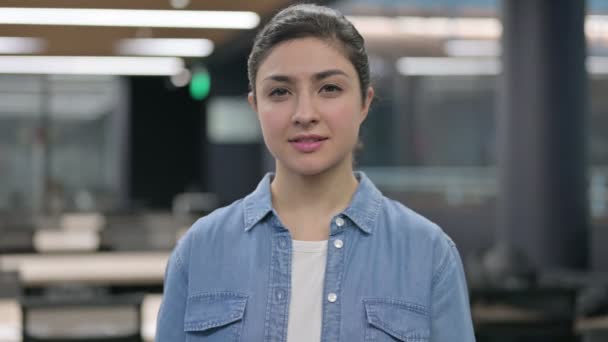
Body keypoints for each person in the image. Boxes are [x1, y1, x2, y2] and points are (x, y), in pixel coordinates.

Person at [156, 4, 475, 342]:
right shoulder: (200, 250)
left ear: (365, 102)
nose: (304, 113)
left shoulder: (427, 253)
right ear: (256, 107)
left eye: (330, 89)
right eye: (280, 92)